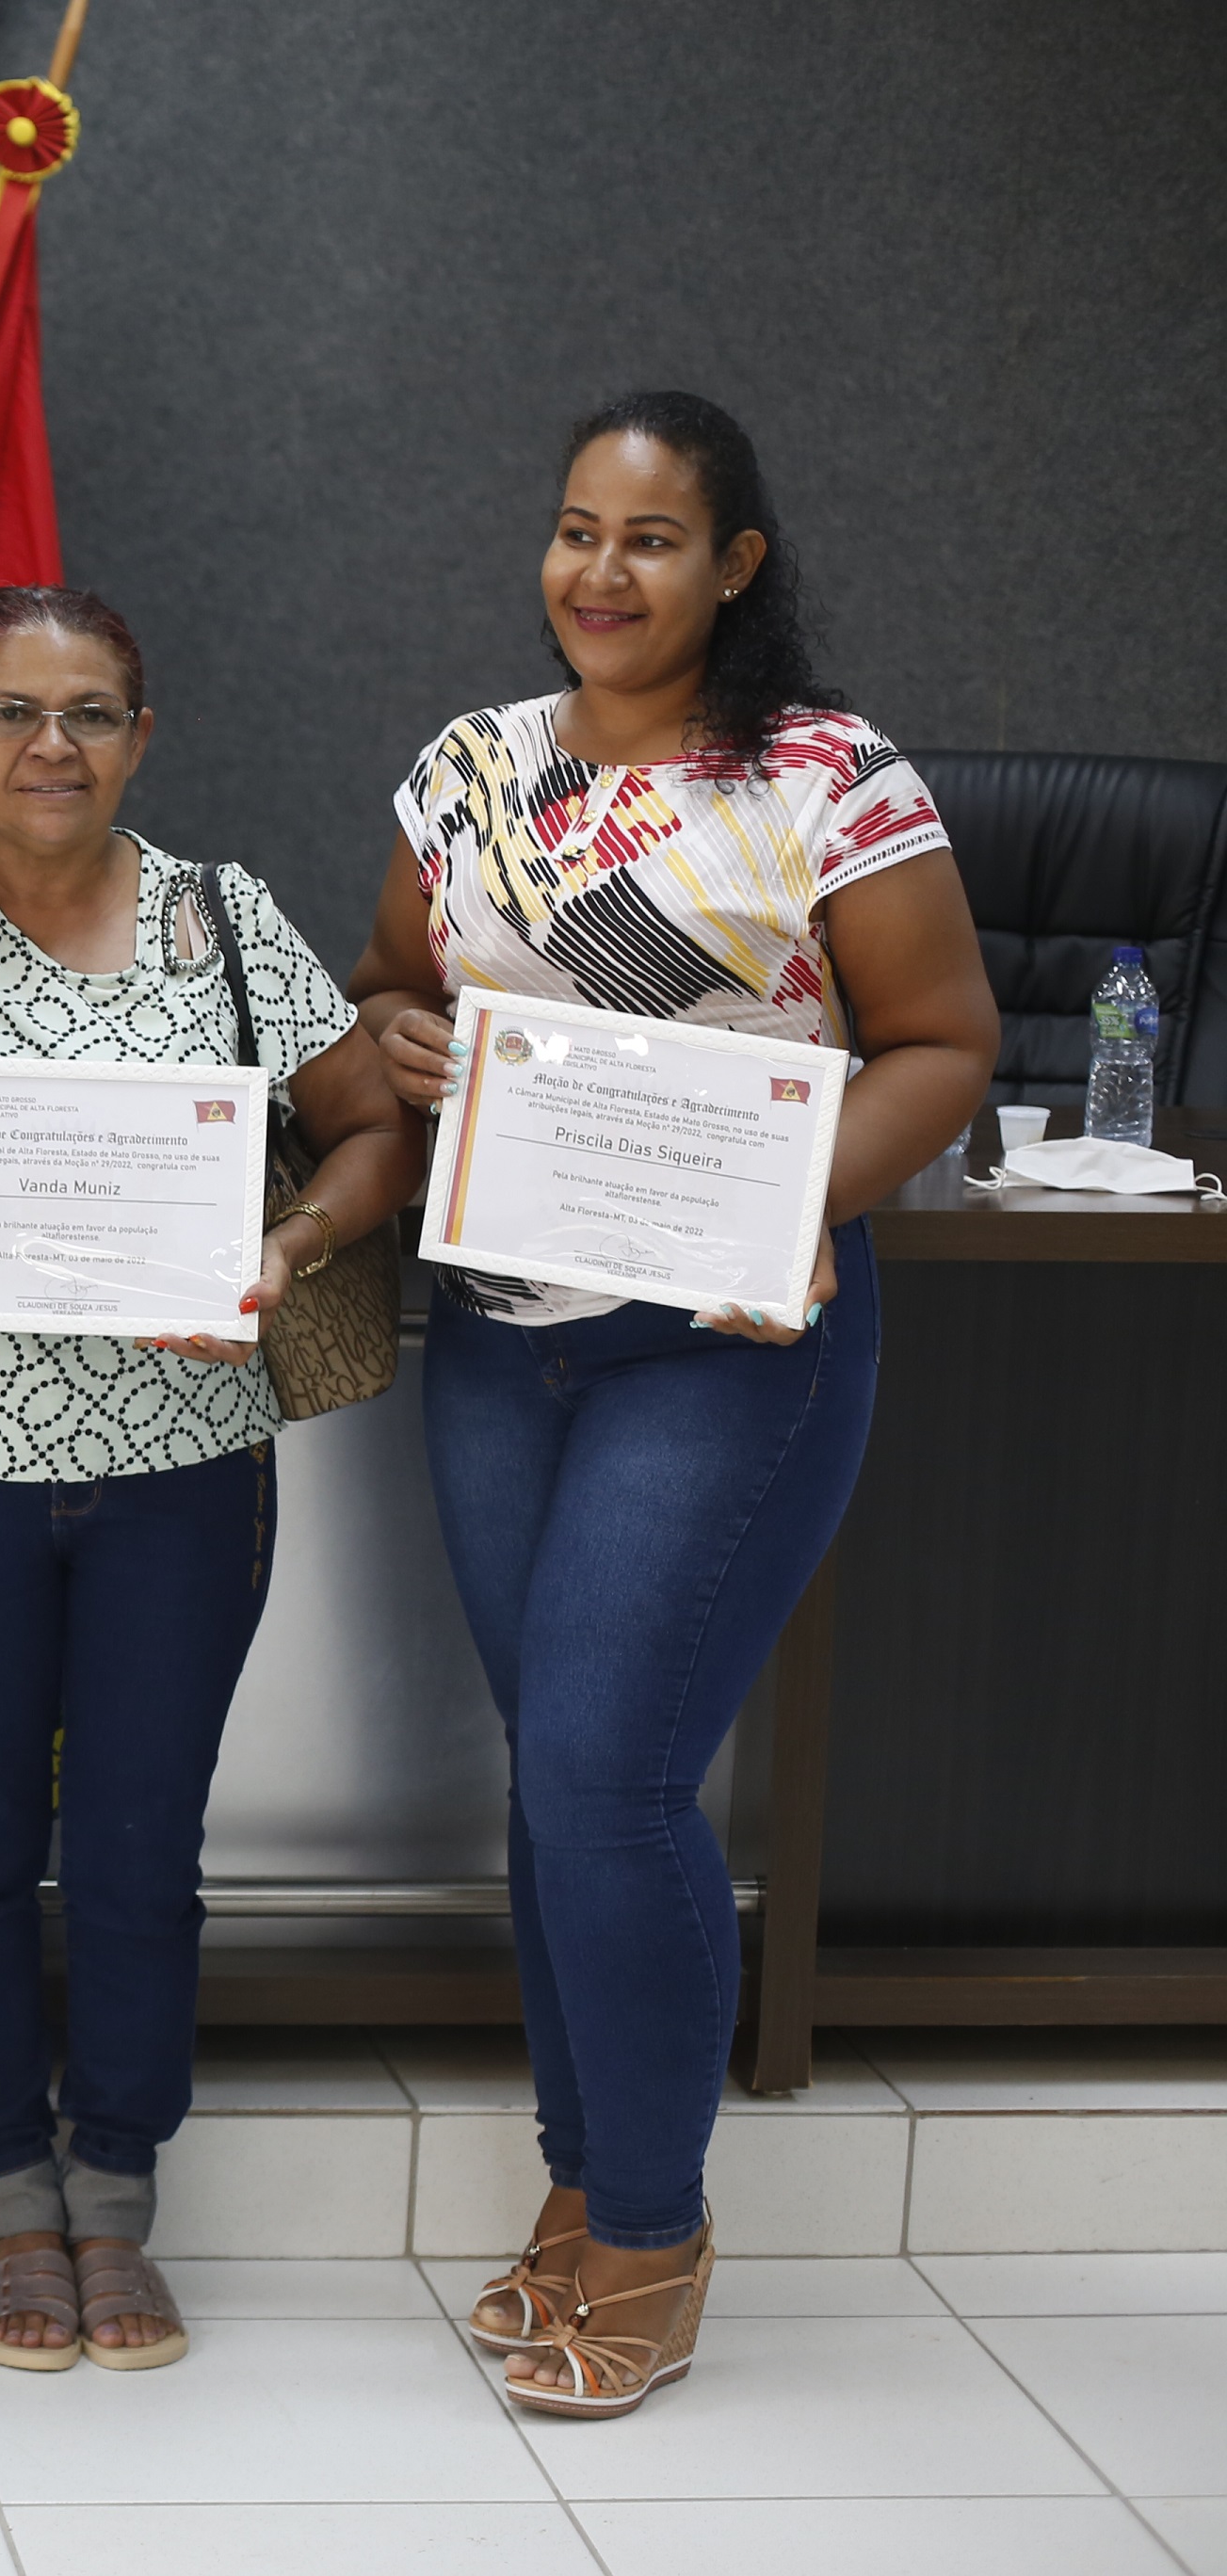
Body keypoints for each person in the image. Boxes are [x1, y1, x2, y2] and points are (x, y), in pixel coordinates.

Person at [348, 393, 992, 2419]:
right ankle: (581, 2180)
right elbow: (390, 1005)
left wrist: (779, 1195)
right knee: (557, 1774)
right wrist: (400, 1047)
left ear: (735, 566)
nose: (599, 574)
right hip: (503, 1336)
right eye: (572, 531)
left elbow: (944, 1043)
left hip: (726, 1338)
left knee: (613, 1775)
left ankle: (652, 2224)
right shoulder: (470, 771)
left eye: (649, 539)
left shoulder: (825, 778)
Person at [0, 585, 424, 2375]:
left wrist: (297, 1238)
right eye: (11, 712)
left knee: (148, 1848)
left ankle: (119, 2192)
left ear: (142, 738)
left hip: (177, 1469)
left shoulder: (226, 922)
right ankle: (13, 2197)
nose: (51, 748)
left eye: (90, 714)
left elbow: (375, 1125)